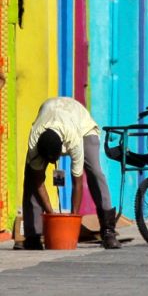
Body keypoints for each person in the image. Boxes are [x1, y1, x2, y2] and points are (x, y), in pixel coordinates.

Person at [21, 97, 121, 250]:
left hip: (82, 127)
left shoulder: (73, 139)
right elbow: (38, 181)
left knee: (95, 171)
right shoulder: (35, 140)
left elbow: (77, 182)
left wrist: (71, 222)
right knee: (30, 177)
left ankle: (108, 231)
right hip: (51, 111)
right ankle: (33, 235)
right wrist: (52, 215)